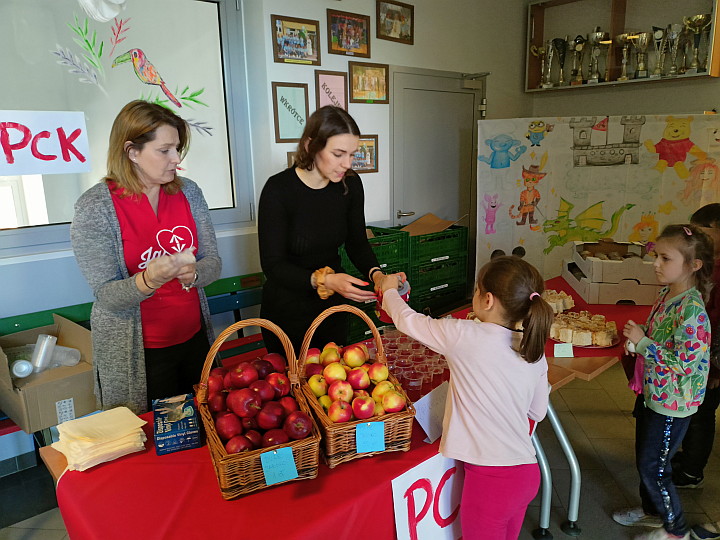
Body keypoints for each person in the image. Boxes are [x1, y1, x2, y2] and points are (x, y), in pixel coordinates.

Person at [379, 255, 551, 540]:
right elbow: (538, 412)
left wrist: (387, 290)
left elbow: (407, 321)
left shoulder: (463, 334)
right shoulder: (532, 347)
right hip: (526, 474)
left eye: (475, 290)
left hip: (491, 482)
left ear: (488, 300)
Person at [71, 100, 221, 414]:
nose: (176, 159)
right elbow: (107, 295)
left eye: (177, 149)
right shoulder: (96, 207)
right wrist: (148, 280)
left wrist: (193, 274)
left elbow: (213, 263)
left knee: (204, 429)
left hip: (194, 342)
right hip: (138, 356)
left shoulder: (188, 192)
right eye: (164, 150)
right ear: (132, 151)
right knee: (151, 441)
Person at [258, 106, 403, 355]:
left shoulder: (350, 185)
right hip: (288, 311)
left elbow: (357, 242)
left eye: (352, 154)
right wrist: (324, 280)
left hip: (332, 309)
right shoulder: (278, 190)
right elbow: (273, 265)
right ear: (311, 146)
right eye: (338, 154)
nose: (346, 164)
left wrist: (377, 276)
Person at [613, 224, 713, 540]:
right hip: (653, 393)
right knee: (647, 457)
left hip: (673, 403)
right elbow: (661, 333)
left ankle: (675, 530)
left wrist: (643, 343)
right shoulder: (667, 293)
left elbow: (684, 362)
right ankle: (652, 510)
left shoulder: (694, 310)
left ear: (693, 265)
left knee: (655, 468)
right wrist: (641, 333)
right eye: (656, 256)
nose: (656, 264)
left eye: (665, 258)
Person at [675, 205, 720, 540]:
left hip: (710, 361)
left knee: (703, 414)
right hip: (701, 360)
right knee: (696, 412)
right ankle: (685, 460)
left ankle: (691, 471)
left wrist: (717, 366)